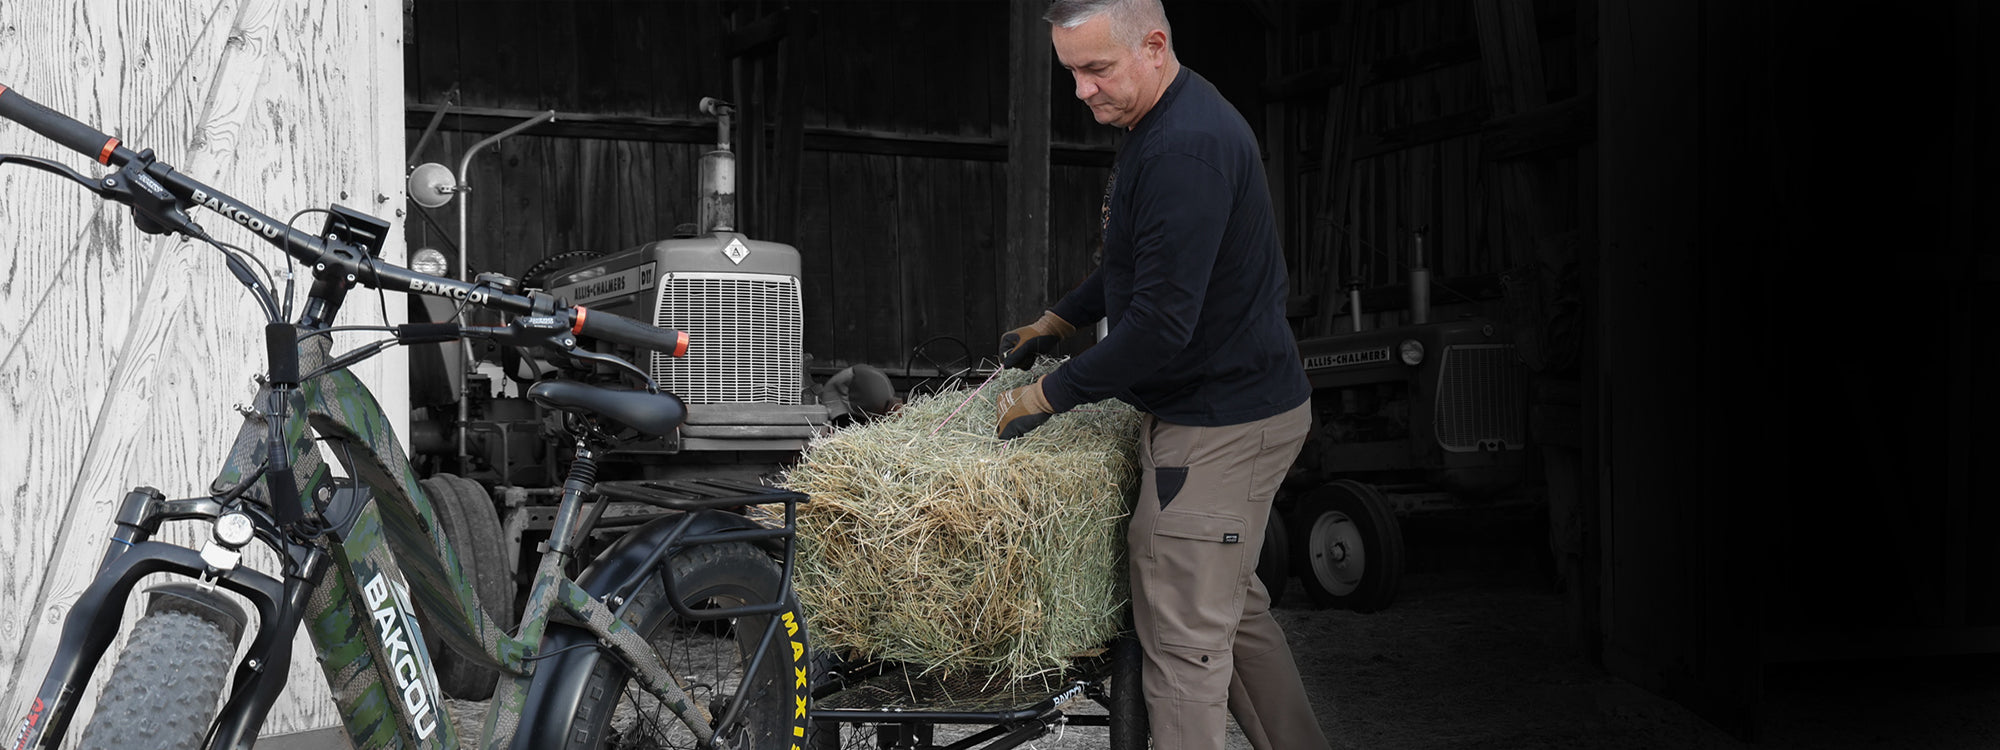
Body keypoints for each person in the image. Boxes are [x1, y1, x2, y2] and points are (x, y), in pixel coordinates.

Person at [993, 1, 1331, 748]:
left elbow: (1159, 328)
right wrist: (1061, 318)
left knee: (1181, 644)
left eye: (1095, 69)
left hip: (1222, 423)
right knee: (1229, 616)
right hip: (1236, 405)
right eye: (1071, 72)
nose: (1081, 91)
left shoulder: (1185, 150)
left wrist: (1047, 393)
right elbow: (1140, 266)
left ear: (1153, 46)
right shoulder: (1161, 122)